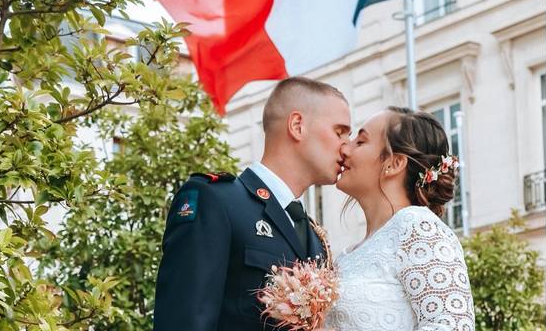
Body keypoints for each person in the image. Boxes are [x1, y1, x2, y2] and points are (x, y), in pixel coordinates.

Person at [152, 76, 351, 330]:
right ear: (298, 125)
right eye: (339, 132)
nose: (346, 148)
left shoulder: (313, 236)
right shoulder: (217, 201)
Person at [327, 106, 475, 331]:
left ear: (394, 163)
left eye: (361, 141)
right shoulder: (348, 255)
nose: (345, 148)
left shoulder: (418, 228)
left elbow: (452, 326)